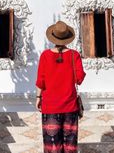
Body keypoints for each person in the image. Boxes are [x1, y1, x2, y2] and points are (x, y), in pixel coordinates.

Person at [35, 21, 86, 153]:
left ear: (53, 37)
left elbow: (41, 81)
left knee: (52, 147)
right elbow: (79, 79)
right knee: (70, 146)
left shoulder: (45, 55)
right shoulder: (74, 55)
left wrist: (38, 97)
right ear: (67, 38)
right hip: (70, 106)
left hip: (50, 107)